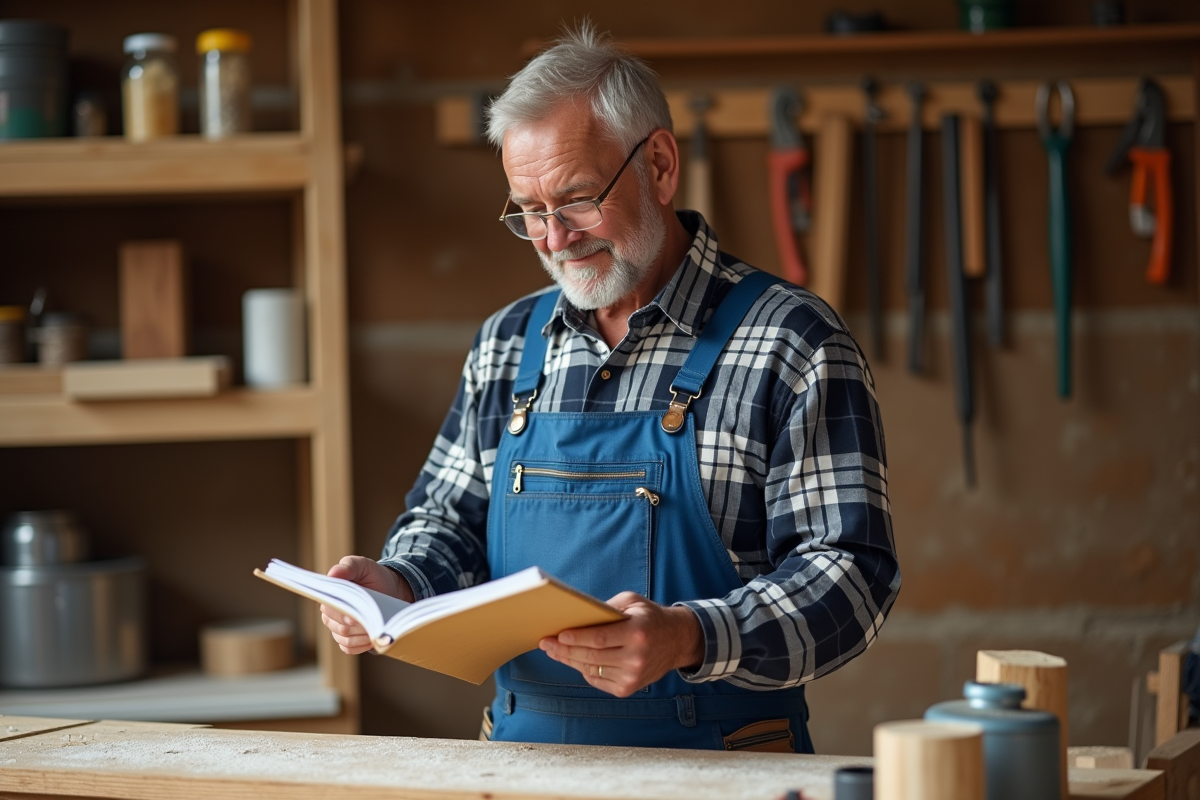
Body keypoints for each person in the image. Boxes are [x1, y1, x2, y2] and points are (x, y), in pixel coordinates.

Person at [321, 23, 900, 753]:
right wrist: (395, 587)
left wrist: (691, 636)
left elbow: (852, 577)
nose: (554, 238)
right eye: (528, 211)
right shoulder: (507, 344)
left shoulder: (792, 342)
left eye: (576, 199)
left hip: (722, 766)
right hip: (526, 759)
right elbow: (449, 521)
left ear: (658, 165)